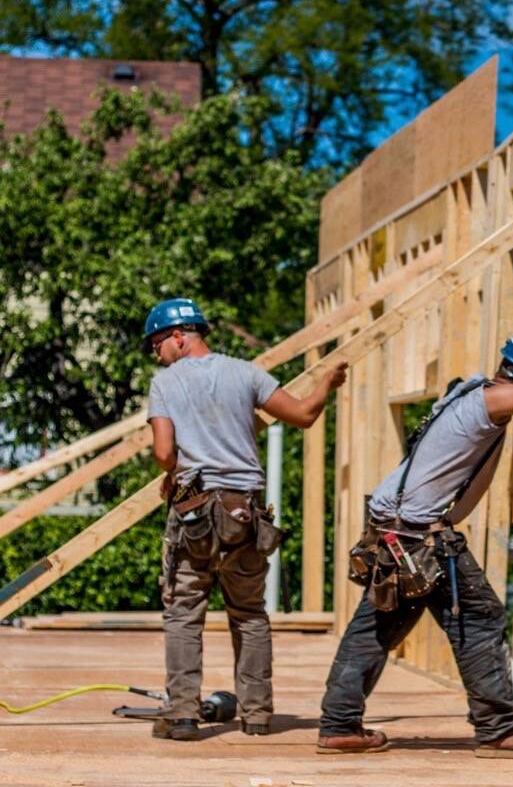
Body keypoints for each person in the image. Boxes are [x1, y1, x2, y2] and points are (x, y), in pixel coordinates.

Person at [316, 328, 513, 757]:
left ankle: (338, 725)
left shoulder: (464, 395)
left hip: (392, 529)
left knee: (376, 625)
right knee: (480, 618)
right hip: (419, 537)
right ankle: (499, 729)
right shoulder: (490, 402)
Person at [145, 297, 348, 741]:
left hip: (194, 513)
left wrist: (175, 472)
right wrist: (327, 384)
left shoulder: (165, 384)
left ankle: (182, 715)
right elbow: (303, 415)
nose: (155, 354)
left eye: (156, 343)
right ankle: (256, 715)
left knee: (184, 612)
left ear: (178, 336)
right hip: (244, 513)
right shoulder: (248, 373)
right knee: (249, 613)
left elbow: (163, 453)